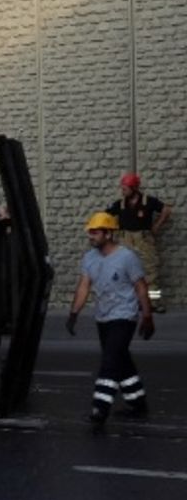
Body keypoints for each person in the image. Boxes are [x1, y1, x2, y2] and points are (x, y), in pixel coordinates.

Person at [66, 212, 156, 429]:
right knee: (121, 359)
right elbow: (84, 286)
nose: (91, 236)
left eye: (95, 232)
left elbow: (141, 287)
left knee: (110, 361)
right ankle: (138, 403)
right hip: (103, 317)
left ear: (108, 233)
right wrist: (74, 313)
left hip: (124, 316)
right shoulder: (90, 258)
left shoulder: (127, 257)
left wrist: (147, 316)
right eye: (90, 232)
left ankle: (100, 409)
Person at [106, 173, 172, 312]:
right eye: (122, 188)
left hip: (144, 240)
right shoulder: (120, 204)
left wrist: (157, 225)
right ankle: (129, 302)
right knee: (125, 271)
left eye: (125, 189)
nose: (122, 191)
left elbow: (166, 210)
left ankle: (153, 303)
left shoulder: (148, 201)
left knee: (151, 272)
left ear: (134, 188)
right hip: (125, 240)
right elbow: (106, 216)